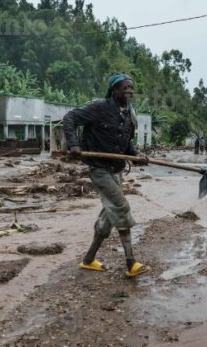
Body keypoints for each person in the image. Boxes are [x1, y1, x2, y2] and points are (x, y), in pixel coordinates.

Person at [63, 73, 151, 278]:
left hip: (116, 170)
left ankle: (88, 260)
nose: (128, 91)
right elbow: (70, 118)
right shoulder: (99, 107)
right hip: (99, 169)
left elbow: (127, 144)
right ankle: (131, 264)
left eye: (131, 88)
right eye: (124, 88)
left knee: (109, 216)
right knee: (121, 207)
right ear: (114, 90)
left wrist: (136, 155)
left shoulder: (129, 114)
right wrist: (74, 144)